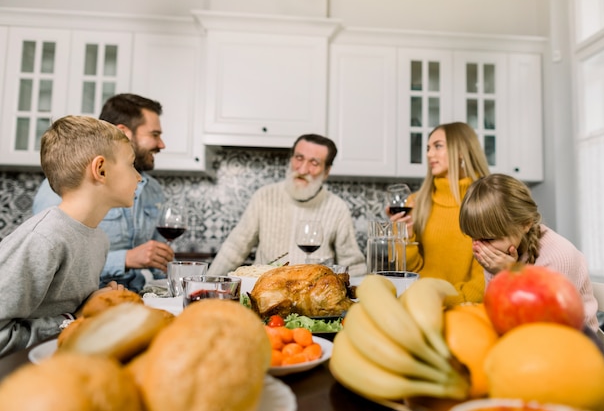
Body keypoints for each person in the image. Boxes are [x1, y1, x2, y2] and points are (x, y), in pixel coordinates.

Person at [0, 115, 140, 357]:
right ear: (101, 170)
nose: (138, 176)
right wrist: (76, 318)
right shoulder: (43, 240)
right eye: (131, 164)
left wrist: (100, 302)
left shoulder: (98, 238)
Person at [32, 94, 174, 293]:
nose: (162, 144)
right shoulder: (68, 187)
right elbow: (55, 268)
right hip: (85, 305)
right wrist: (126, 259)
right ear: (123, 132)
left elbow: (160, 260)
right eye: (154, 134)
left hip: (132, 297)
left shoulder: (152, 190)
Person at [208, 134, 366, 276]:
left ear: (326, 171)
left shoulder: (338, 208)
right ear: (291, 159)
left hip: (312, 300)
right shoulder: (264, 196)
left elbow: (353, 266)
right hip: (265, 296)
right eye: (299, 158)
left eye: (314, 163)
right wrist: (206, 285)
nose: (303, 169)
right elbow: (234, 249)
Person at [459, 173, 599, 331]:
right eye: (474, 238)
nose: (480, 248)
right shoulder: (498, 255)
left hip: (572, 343)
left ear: (525, 224)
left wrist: (511, 275)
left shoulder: (559, 255)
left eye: (489, 239)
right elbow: (496, 315)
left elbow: (543, 324)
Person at [390, 122, 491, 305]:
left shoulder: (486, 204)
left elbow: (484, 277)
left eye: (438, 146)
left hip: (465, 310)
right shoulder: (416, 202)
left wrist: (445, 301)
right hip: (416, 307)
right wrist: (404, 237)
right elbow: (406, 272)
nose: (429, 154)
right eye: (428, 148)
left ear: (461, 150)